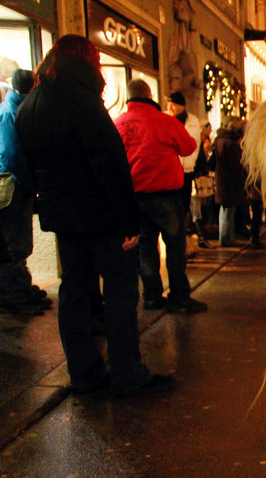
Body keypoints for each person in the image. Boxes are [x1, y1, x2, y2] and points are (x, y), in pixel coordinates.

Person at [15, 35, 174, 396]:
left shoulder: (31, 104)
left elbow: (25, 166)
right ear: (87, 61)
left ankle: (84, 373)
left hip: (64, 220)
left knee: (74, 292)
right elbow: (111, 166)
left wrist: (47, 203)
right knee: (119, 294)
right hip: (102, 217)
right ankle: (127, 373)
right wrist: (129, 222)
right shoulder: (83, 102)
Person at [115, 78, 205, 313]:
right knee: (174, 246)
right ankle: (179, 296)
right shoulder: (165, 121)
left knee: (146, 246)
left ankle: (152, 296)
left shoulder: (118, 124)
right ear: (149, 96)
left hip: (134, 195)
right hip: (164, 193)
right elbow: (188, 147)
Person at [0, 68, 50, 315]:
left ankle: (21, 289)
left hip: (15, 184)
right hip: (11, 186)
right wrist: (28, 182)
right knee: (13, 243)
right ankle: (14, 295)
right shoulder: (12, 112)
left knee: (18, 242)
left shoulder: (15, 107)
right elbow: (10, 154)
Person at [166, 90, 202, 246]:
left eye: (173, 104)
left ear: (180, 105)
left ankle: (184, 241)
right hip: (170, 170)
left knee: (184, 206)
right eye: (169, 104)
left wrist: (190, 162)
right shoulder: (165, 118)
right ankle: (176, 241)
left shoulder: (192, 121)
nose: (170, 107)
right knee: (172, 207)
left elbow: (194, 144)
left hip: (186, 169)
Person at [214, 118, 247, 246]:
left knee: (224, 210)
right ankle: (228, 239)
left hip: (222, 181)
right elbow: (237, 166)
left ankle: (224, 237)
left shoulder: (219, 141)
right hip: (230, 183)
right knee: (229, 211)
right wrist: (242, 180)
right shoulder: (231, 145)